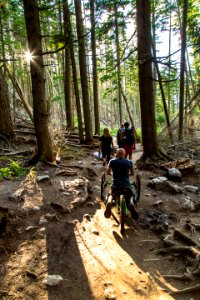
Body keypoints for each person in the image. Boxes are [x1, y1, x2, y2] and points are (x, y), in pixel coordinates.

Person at [104, 148, 138, 219]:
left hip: (115, 185)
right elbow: (132, 173)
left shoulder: (112, 161)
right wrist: (128, 175)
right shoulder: (129, 162)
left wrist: (111, 174)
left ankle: (109, 202)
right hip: (126, 185)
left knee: (111, 194)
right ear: (124, 154)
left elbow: (108, 172)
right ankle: (131, 204)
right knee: (130, 195)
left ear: (117, 154)